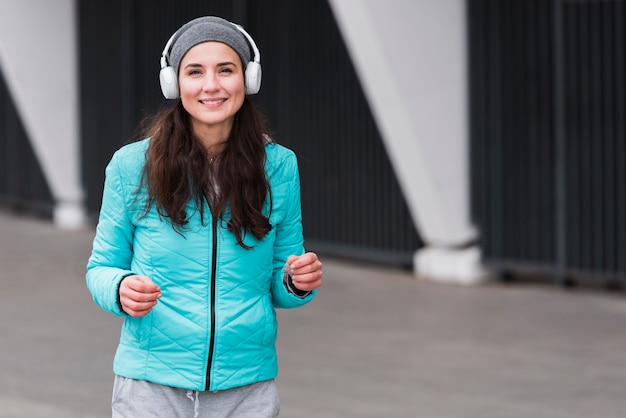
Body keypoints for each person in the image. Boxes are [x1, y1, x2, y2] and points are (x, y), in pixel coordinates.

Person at [86, 16, 323, 417]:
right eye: (195, 72)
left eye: (225, 70)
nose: (210, 85)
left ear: (247, 80)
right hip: (151, 386)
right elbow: (101, 268)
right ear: (174, 83)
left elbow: (281, 281)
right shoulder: (131, 166)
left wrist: (297, 280)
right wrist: (121, 287)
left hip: (247, 388)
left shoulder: (279, 167)